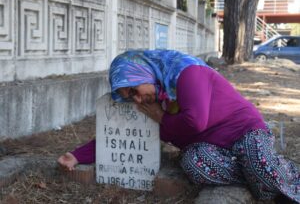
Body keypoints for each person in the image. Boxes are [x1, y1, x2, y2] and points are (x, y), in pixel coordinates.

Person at [58, 49, 300, 203]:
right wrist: (77, 156)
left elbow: (195, 121)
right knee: (194, 165)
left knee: (257, 161)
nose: (137, 99)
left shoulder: (187, 72)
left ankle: (277, 175)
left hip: (243, 131)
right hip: (209, 148)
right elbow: (120, 135)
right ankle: (263, 177)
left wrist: (162, 118)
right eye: (129, 97)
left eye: (134, 90)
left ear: (143, 72)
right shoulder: (152, 98)